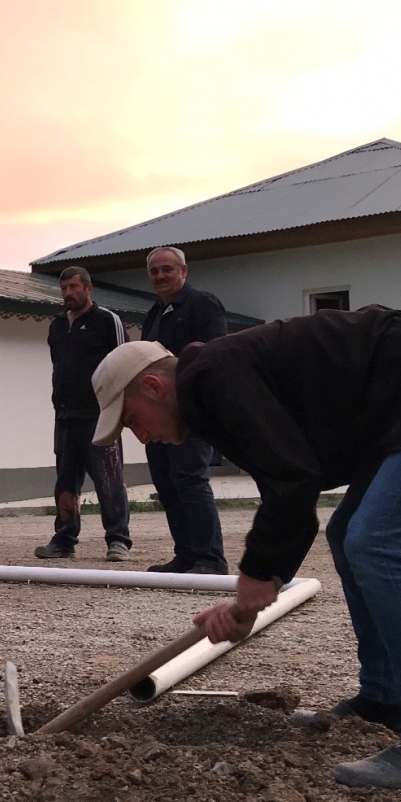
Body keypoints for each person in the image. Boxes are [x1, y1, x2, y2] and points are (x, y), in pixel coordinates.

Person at [90, 306, 401, 799]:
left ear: (152, 387)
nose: (141, 436)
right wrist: (263, 582)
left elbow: (292, 480)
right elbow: (294, 476)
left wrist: (255, 582)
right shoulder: (213, 381)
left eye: (131, 422)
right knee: (349, 535)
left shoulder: (213, 378)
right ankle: (383, 701)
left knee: (378, 545)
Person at [139, 246, 228, 574]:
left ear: (184, 271)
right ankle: (187, 555)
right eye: (154, 271)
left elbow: (216, 357)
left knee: (190, 481)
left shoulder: (203, 305)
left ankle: (211, 560)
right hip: (158, 418)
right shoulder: (153, 314)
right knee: (167, 484)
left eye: (167, 269)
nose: (160, 276)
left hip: (190, 415)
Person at [34, 267, 131, 561]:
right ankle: (64, 539)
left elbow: (124, 363)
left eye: (74, 287)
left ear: (88, 289)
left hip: (99, 416)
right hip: (65, 416)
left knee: (109, 479)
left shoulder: (106, 321)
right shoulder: (56, 326)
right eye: (64, 288)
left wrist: (120, 411)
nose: (68, 293)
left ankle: (118, 540)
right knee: (66, 480)